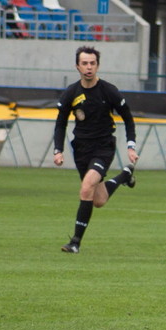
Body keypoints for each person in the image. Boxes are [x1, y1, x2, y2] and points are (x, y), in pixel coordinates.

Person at [53, 46, 138, 254]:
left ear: (97, 66)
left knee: (86, 187)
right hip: (81, 149)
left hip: (103, 147)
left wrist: (131, 145)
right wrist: (58, 150)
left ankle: (75, 242)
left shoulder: (109, 90)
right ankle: (124, 175)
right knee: (98, 200)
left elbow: (128, 118)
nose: (89, 67)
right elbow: (60, 123)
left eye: (92, 63)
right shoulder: (71, 93)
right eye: (84, 63)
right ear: (77, 66)